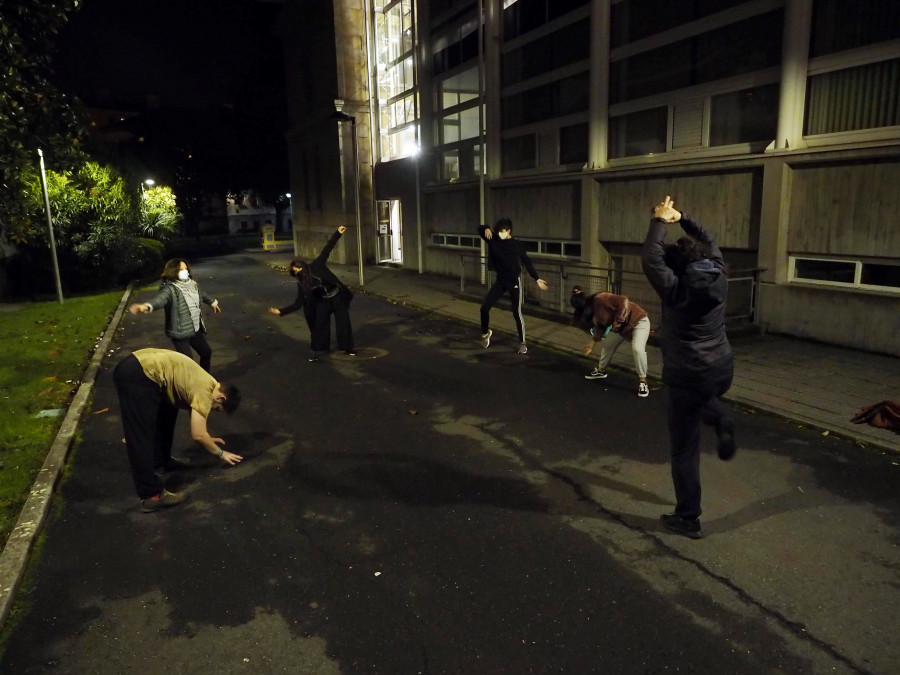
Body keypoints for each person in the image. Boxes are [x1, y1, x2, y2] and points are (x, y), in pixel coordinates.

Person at [641, 196, 736, 540]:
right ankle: (717, 414)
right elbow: (709, 240)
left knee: (684, 449)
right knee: (704, 398)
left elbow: (651, 257)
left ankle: (688, 517)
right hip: (721, 368)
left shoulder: (676, 290)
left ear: (676, 268)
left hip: (688, 373)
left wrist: (658, 219)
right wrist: (681, 218)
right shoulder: (718, 271)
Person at [113, 348, 242, 512]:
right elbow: (198, 434)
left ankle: (162, 461)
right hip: (139, 375)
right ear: (221, 398)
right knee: (140, 435)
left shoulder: (209, 382)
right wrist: (221, 453)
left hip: (137, 365)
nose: (212, 410)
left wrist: (208, 436)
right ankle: (152, 495)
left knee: (168, 411)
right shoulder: (204, 392)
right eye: (217, 409)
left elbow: (196, 415)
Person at [268, 226, 355, 362]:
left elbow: (327, 249)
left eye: (298, 269)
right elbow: (298, 302)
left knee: (343, 323)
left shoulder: (317, 265)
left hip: (336, 296)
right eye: (295, 272)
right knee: (319, 326)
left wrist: (337, 233)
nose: (298, 272)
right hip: (323, 301)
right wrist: (281, 311)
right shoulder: (302, 283)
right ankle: (316, 351)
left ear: (303, 266)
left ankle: (347, 347)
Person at [129, 259, 221, 372]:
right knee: (188, 362)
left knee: (206, 352)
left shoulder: (192, 284)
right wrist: (146, 306)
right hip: (179, 332)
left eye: (186, 268)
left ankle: (205, 379)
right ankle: (186, 385)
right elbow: (160, 299)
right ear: (173, 271)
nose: (185, 271)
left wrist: (213, 303)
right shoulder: (170, 288)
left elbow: (202, 294)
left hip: (194, 328)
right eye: (181, 269)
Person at [477, 218, 549, 354]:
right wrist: (485, 228)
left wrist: (537, 278)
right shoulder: (494, 239)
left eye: (502, 231)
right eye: (498, 231)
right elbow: (479, 229)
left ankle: (523, 343)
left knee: (517, 313)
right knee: (484, 308)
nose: (499, 233)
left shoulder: (517, 245)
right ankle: (485, 334)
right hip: (500, 281)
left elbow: (526, 261)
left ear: (509, 231)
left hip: (514, 282)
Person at [571, 286, 651, 397]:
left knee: (637, 349)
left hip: (638, 321)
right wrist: (592, 344)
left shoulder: (601, 298)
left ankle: (643, 382)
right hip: (621, 329)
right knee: (608, 345)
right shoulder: (592, 313)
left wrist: (618, 320)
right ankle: (601, 371)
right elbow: (601, 327)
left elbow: (624, 300)